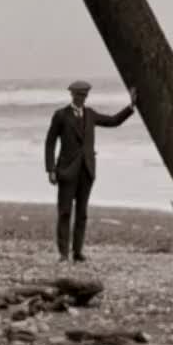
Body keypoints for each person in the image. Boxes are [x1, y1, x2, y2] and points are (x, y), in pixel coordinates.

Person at [44, 80, 135, 263]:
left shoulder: (91, 114)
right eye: (78, 95)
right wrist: (51, 169)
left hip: (87, 170)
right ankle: (63, 254)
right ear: (72, 95)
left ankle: (77, 252)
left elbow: (113, 121)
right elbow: (50, 142)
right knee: (64, 212)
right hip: (67, 171)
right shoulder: (61, 115)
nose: (81, 98)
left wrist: (131, 106)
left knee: (82, 214)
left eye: (84, 95)